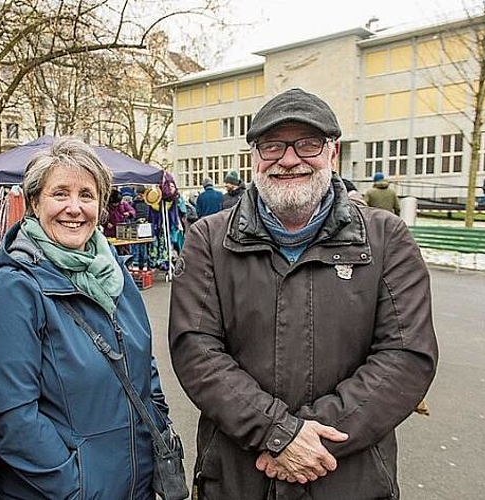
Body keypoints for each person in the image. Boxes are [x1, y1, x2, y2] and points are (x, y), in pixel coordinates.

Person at [169, 88, 438, 499]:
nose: (289, 159)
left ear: (333, 154)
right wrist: (278, 432)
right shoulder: (208, 238)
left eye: (308, 144)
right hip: (238, 477)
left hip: (349, 477)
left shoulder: (386, 238)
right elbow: (195, 349)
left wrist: (309, 443)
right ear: (255, 157)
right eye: (272, 146)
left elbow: (406, 356)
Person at [0, 136, 172, 499]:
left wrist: (155, 438)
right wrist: (76, 487)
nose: (74, 207)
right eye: (60, 193)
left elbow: (145, 369)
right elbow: (14, 418)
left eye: (86, 195)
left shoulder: (114, 273)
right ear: (34, 202)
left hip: (134, 486)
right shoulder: (12, 289)